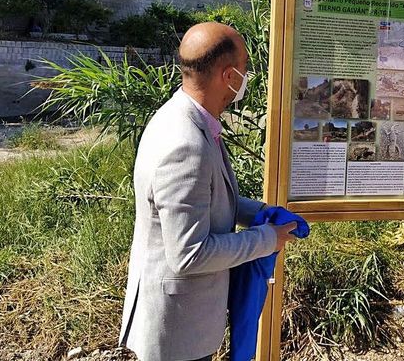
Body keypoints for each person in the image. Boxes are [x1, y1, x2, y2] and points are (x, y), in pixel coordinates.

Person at [119, 22, 298, 361]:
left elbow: (208, 197)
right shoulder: (185, 144)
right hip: (178, 331)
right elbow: (189, 253)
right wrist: (266, 239)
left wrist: (256, 212)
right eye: (246, 68)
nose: (248, 78)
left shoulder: (185, 119)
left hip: (185, 320)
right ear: (229, 76)